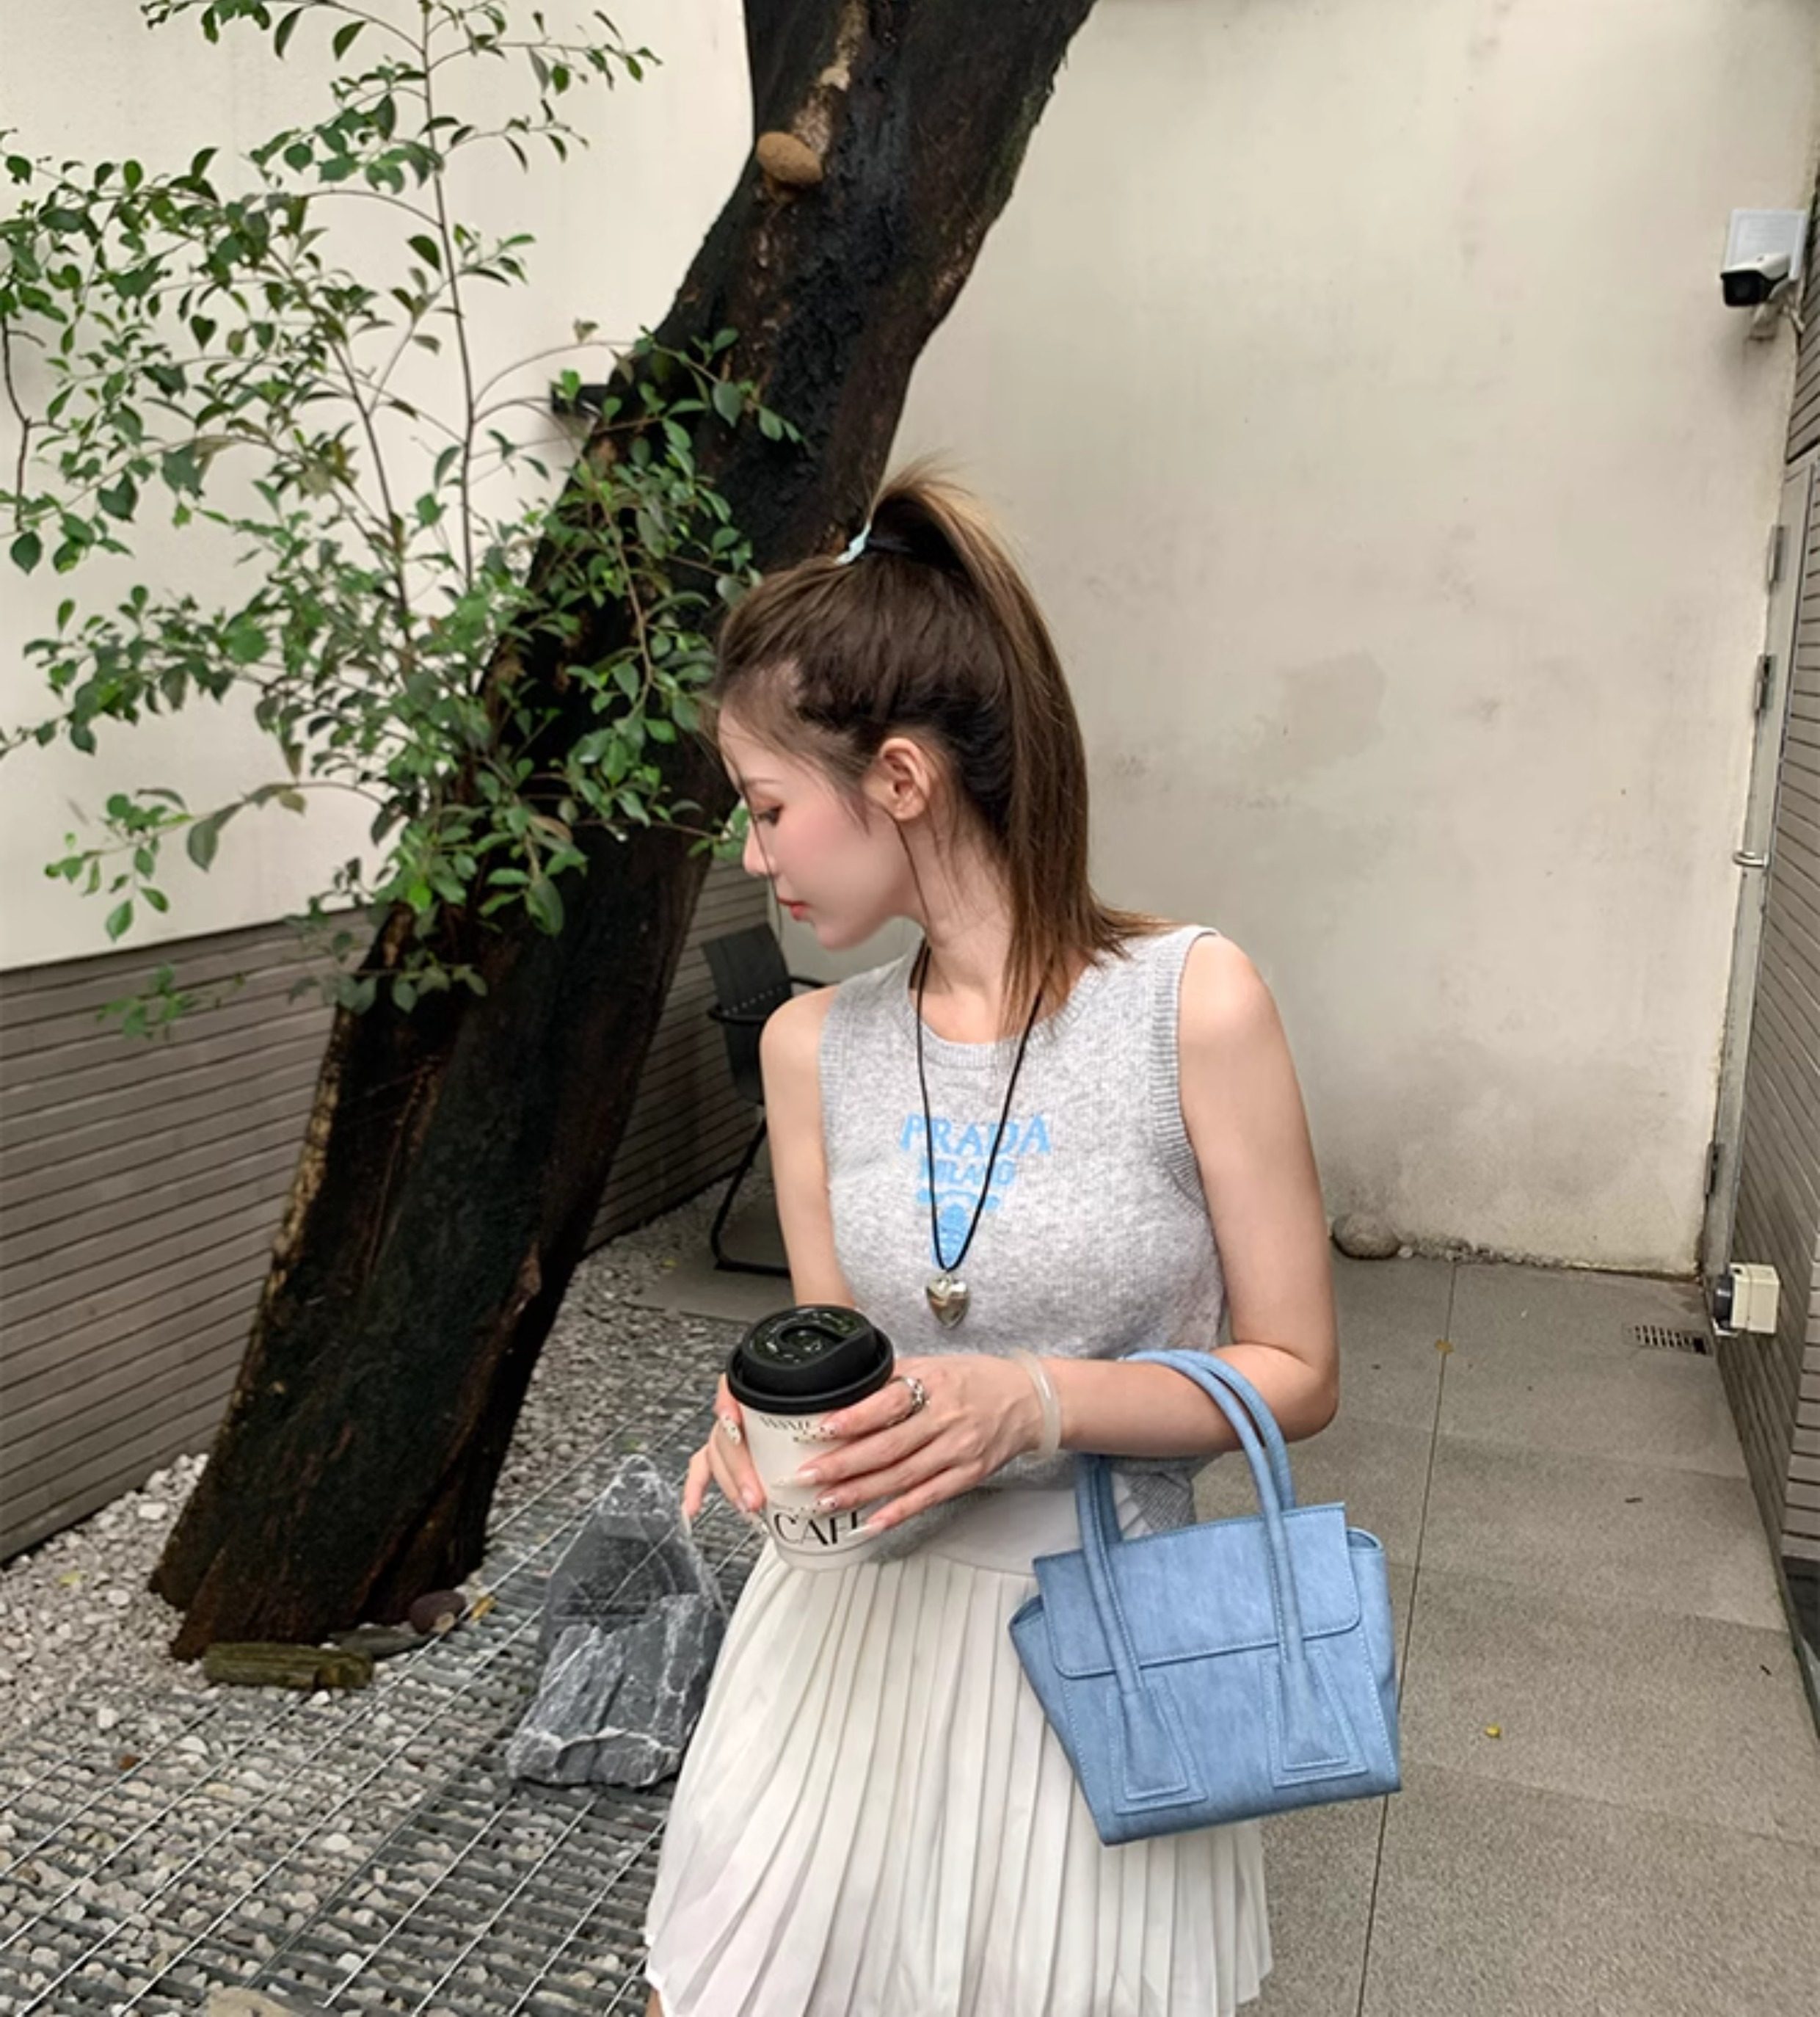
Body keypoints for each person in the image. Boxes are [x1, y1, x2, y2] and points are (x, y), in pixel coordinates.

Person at [642, 468, 1337, 2016]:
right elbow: (841, 1359)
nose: (753, 857)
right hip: (836, 1637)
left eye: (767, 808)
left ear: (899, 777)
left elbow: (1296, 1369)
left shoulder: (1189, 1004)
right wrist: (767, 1424)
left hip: (1096, 1644)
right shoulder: (812, 1049)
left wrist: (1032, 1401)